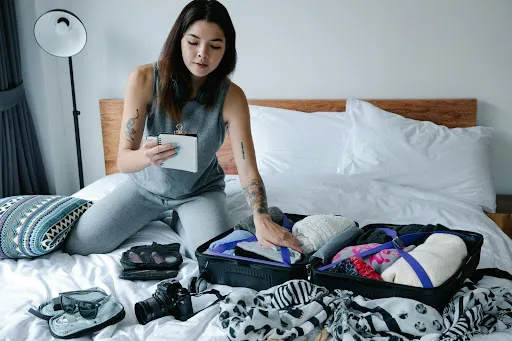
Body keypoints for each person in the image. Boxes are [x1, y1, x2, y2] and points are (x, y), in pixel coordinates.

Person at [63, 0, 302, 259]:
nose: (202, 54)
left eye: (215, 46)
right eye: (193, 42)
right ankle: (165, 214)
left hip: (200, 192)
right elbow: (123, 159)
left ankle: (178, 218)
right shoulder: (143, 79)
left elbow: (246, 166)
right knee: (80, 243)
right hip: (145, 188)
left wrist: (261, 216)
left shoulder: (232, 97)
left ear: (226, 51)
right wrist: (145, 156)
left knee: (210, 257)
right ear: (178, 40)